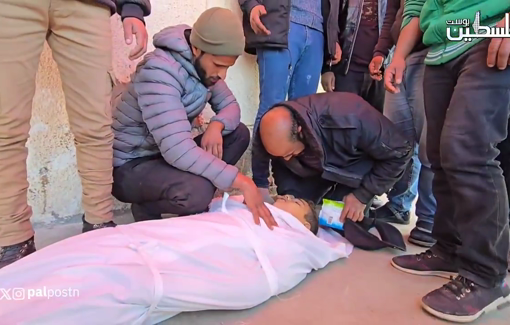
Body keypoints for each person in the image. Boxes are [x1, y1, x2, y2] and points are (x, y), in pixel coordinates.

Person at [0, 194, 352, 324]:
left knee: (102, 280)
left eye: (296, 202)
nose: (287, 195)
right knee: (84, 251)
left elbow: (259, 278)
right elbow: (215, 210)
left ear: (301, 223)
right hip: (153, 239)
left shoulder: (291, 242)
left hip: (175, 262)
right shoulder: (250, 209)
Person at [0, 0, 151, 269]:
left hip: (87, 5)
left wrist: (134, 7)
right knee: (5, 129)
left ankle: (99, 223)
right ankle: (13, 241)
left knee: (96, 125)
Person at [388, 1, 510, 322]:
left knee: (469, 151)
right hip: (440, 47)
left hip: (490, 32)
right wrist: (399, 55)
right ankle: (449, 249)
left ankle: (487, 274)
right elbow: (416, 5)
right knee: (438, 154)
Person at [111, 8, 276, 229]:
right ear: (197, 49)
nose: (222, 75)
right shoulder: (159, 72)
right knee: (197, 193)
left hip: (165, 156)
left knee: (237, 135)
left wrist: (216, 126)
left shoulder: (203, 68)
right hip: (131, 166)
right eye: (218, 65)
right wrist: (243, 182)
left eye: (227, 67)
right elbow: (178, 150)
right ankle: (147, 206)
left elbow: (231, 108)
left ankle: (196, 189)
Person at [252, 92, 412, 223]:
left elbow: (400, 152)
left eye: (290, 154)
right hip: (311, 169)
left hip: (353, 171)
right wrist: (263, 187)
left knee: (343, 224)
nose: (286, 159)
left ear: (300, 131)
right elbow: (265, 158)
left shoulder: (351, 117)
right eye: (280, 157)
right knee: (292, 219)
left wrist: (363, 195)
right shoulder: (270, 129)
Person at [238, 0, 342, 201]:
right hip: (280, 23)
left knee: (304, 117)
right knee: (271, 109)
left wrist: (332, 37)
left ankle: (292, 187)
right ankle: (259, 182)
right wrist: (251, 4)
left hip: (317, 32)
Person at [371, 0, 436, 248]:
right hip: (401, 53)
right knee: (395, 143)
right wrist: (383, 52)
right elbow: (396, 13)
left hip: (436, 49)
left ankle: (430, 223)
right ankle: (398, 206)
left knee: (431, 146)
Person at [321, 0, 389, 113]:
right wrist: (327, 68)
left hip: (380, 72)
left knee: (375, 127)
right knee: (341, 124)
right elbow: (331, 19)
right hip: (346, 70)